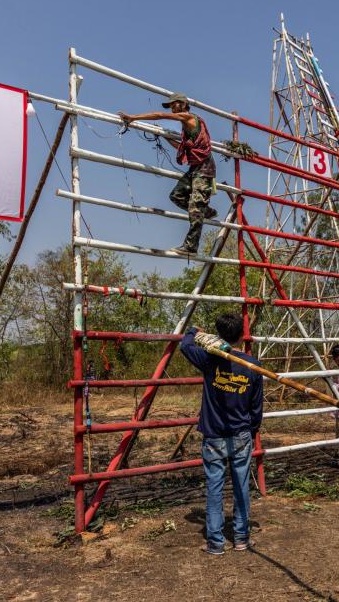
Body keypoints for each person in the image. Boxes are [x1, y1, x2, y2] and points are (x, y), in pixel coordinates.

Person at [179, 314, 264, 555]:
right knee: (241, 486)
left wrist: (195, 330)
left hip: (214, 435)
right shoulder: (251, 366)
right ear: (240, 335)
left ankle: (216, 542)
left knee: (214, 488)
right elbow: (256, 408)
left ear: (218, 335)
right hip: (241, 435)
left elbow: (185, 345)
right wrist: (253, 429)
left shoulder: (209, 360)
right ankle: (241, 538)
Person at [119, 93, 218, 256]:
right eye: (170, 105)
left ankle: (191, 247)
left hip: (205, 170)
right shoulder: (186, 128)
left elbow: (160, 115)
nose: (171, 108)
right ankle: (206, 211)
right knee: (176, 196)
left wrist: (133, 118)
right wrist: (163, 136)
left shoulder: (189, 118)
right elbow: (181, 147)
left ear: (183, 104)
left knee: (194, 209)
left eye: (174, 104)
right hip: (195, 168)